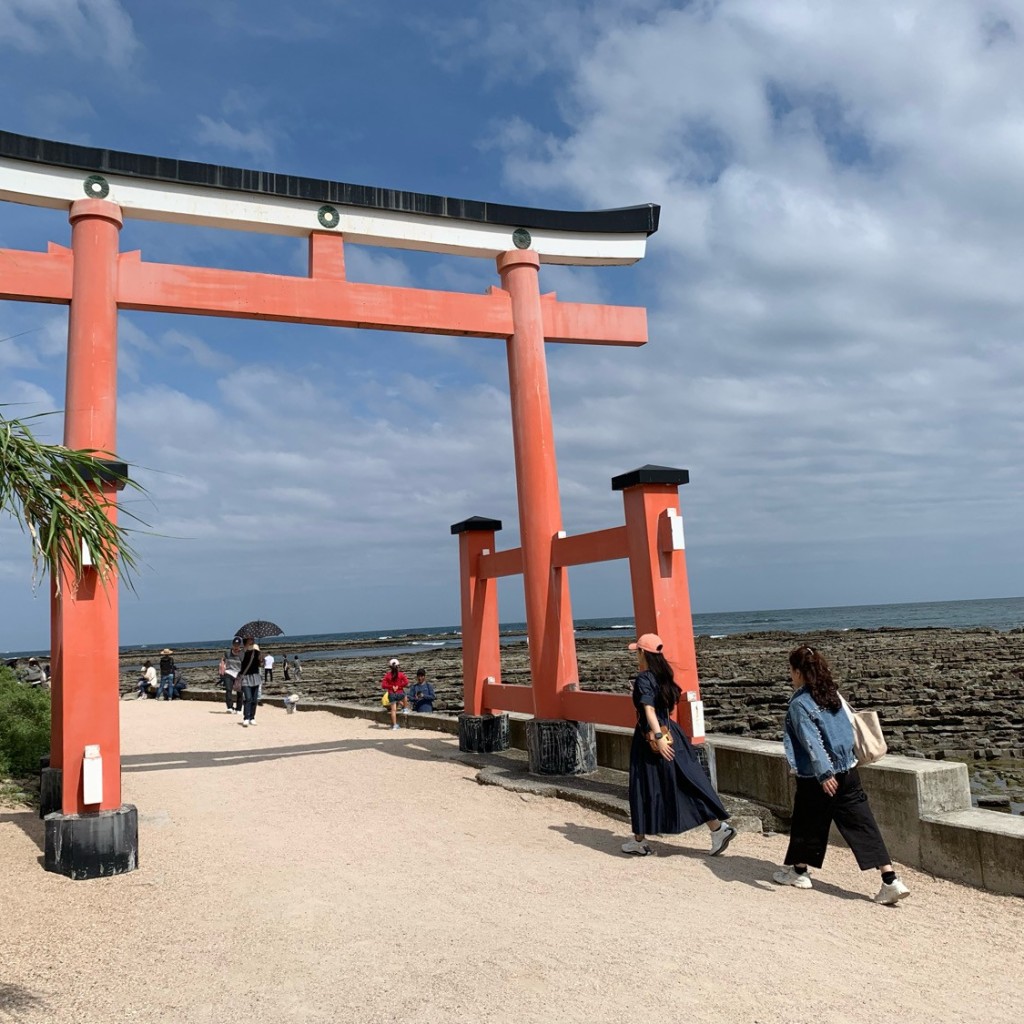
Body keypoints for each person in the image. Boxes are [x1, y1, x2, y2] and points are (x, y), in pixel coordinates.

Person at [773, 644, 910, 906]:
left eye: (791, 671)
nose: (790, 676)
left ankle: (800, 873)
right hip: (849, 770)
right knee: (863, 824)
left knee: (806, 821)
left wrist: (824, 773)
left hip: (819, 776)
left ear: (800, 672)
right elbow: (846, 731)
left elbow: (812, 742)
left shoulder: (800, 704)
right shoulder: (831, 694)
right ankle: (890, 879)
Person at [622, 633, 736, 857]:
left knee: (643, 785)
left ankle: (639, 841)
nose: (636, 655)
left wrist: (657, 736)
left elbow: (648, 710)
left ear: (643, 653)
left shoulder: (645, 678)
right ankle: (717, 829)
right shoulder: (664, 676)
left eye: (637, 651)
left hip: (652, 738)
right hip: (673, 732)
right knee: (683, 783)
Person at [237, 636, 262, 727]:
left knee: (254, 699)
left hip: (255, 676)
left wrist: (260, 658)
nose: (252, 640)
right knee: (248, 698)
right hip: (245, 677)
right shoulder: (242, 652)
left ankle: (252, 717)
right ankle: (246, 718)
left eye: (253, 639)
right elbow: (240, 659)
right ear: (246, 641)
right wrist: (246, 648)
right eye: (250, 639)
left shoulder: (256, 650)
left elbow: (259, 664)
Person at [380, 658, 409, 730]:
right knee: (405, 696)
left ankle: (394, 725)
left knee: (393, 710)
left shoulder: (387, 675)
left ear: (390, 667)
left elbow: (383, 685)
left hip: (391, 694)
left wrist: (391, 687)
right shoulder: (401, 674)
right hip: (400, 693)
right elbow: (406, 682)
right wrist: (399, 687)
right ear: (398, 666)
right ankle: (405, 709)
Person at [222, 637, 243, 713]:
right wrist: (222, 668)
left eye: (237, 645)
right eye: (235, 644)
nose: (236, 646)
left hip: (239, 674)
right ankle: (230, 707)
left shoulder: (242, 654)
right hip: (229, 672)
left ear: (240, 645)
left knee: (239, 691)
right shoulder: (227, 653)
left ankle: (238, 708)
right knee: (228, 689)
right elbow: (223, 661)